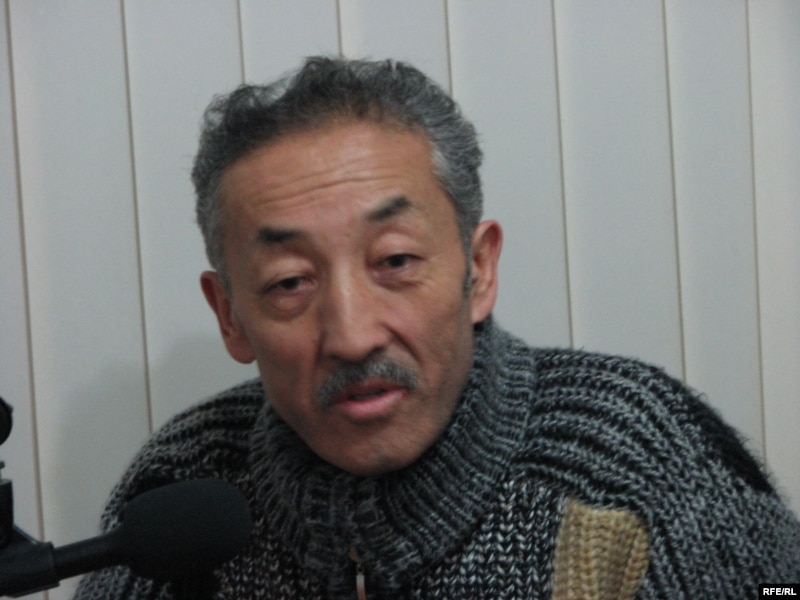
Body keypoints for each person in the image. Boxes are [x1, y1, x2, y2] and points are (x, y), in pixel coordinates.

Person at [74, 56, 800, 600]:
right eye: (290, 282)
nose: (352, 336)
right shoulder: (181, 494)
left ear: (477, 269)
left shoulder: (631, 463)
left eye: (394, 261)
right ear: (231, 316)